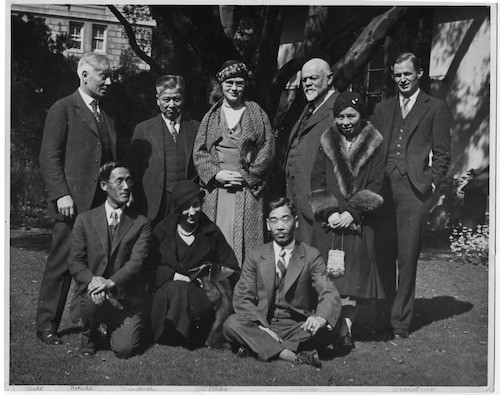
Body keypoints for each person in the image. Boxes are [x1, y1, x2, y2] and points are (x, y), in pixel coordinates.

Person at [36, 52, 118, 345]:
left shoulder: (106, 116)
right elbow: (49, 157)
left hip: (98, 208)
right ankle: (46, 325)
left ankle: (90, 324)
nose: (110, 81)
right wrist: (61, 194)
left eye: (111, 76)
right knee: (61, 265)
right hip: (70, 206)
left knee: (95, 266)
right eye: (103, 76)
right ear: (84, 75)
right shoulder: (63, 108)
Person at [371, 53, 451, 339]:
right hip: (382, 190)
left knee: (407, 259)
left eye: (407, 74)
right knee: (382, 255)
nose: (402, 79)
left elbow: (442, 155)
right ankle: (382, 317)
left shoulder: (435, 108)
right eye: (397, 75)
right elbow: (371, 148)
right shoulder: (383, 108)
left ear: (419, 74)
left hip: (413, 192)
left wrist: (429, 185)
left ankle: (401, 322)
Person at [223, 198, 341, 368]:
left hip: (297, 327)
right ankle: (292, 356)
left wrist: (320, 318)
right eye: (274, 220)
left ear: (296, 222)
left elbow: (328, 291)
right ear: (267, 224)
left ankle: (255, 347)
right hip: (263, 323)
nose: (279, 226)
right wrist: (263, 329)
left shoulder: (311, 255)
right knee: (231, 323)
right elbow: (242, 297)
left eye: (285, 219)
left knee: (328, 327)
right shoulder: (255, 255)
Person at [309, 92, 385, 349]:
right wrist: (330, 212)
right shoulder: (327, 140)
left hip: (358, 222)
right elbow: (316, 180)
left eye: (351, 115)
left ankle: (345, 330)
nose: (345, 121)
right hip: (329, 222)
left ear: (362, 116)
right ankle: (332, 326)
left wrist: (352, 213)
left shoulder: (375, 143)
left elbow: (376, 183)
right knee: (329, 277)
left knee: (353, 280)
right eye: (340, 116)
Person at [193, 60, 275, 265]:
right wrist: (216, 174)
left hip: (247, 189)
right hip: (217, 190)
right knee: (215, 239)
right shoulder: (212, 115)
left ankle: (245, 290)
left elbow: (268, 150)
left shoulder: (256, 113)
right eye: (229, 83)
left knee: (247, 243)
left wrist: (246, 176)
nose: (234, 88)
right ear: (221, 85)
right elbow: (199, 151)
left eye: (239, 83)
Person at [68, 162, 151, 358]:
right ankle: (89, 334)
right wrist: (94, 283)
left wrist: (109, 282)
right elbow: (75, 262)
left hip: (124, 299)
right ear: (104, 186)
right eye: (119, 181)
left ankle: (108, 328)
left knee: (124, 349)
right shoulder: (85, 220)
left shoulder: (141, 223)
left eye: (129, 180)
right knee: (90, 301)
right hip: (93, 293)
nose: (126, 186)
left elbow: (136, 263)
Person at [150, 181, 239, 348]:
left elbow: (232, 267)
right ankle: (176, 334)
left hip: (200, 295)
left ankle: (178, 336)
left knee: (184, 290)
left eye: (196, 205)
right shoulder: (162, 232)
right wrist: (172, 275)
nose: (192, 212)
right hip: (166, 296)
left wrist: (209, 277)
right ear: (177, 209)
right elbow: (148, 270)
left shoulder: (211, 232)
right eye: (186, 207)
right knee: (178, 287)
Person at [128, 75, 200, 227]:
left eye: (177, 99)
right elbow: (133, 170)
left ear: (183, 98)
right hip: (153, 205)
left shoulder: (196, 128)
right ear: (157, 100)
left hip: (186, 205)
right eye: (166, 99)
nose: (172, 105)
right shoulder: (143, 129)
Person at [285, 58, 339, 245]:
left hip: (320, 205)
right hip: (298, 200)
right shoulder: (309, 107)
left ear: (329, 78)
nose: (308, 84)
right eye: (304, 80)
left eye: (313, 78)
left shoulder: (338, 111)